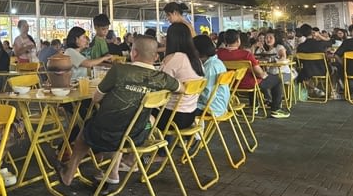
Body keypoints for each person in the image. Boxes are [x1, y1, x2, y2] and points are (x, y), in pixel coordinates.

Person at [58, 34, 182, 186]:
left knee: (85, 131)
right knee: (134, 122)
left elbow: (96, 98)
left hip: (108, 134)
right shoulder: (162, 78)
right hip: (139, 134)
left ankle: (68, 174)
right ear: (156, 56)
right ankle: (112, 172)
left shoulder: (119, 70)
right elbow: (181, 88)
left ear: (134, 53)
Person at [216, 29, 289, 118]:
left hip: (228, 84)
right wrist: (263, 74)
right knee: (276, 80)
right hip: (248, 84)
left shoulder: (218, 53)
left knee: (251, 76)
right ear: (238, 40)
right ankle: (276, 109)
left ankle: (254, 106)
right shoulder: (246, 54)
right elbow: (259, 74)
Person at [156, 22, 205, 130]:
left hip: (172, 117)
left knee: (141, 113)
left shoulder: (174, 59)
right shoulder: (196, 60)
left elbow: (159, 84)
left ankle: (158, 144)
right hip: (191, 114)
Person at [193, 34, 230, 117]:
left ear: (198, 51)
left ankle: (198, 129)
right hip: (220, 105)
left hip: (211, 108)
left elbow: (207, 95)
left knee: (182, 109)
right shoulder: (217, 62)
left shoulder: (210, 67)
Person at [295, 23, 330, 98]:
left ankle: (315, 89)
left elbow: (299, 62)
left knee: (299, 74)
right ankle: (332, 91)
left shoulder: (301, 46)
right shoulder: (320, 44)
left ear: (302, 34)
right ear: (312, 32)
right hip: (323, 70)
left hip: (307, 71)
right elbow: (330, 42)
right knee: (335, 69)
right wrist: (319, 35)